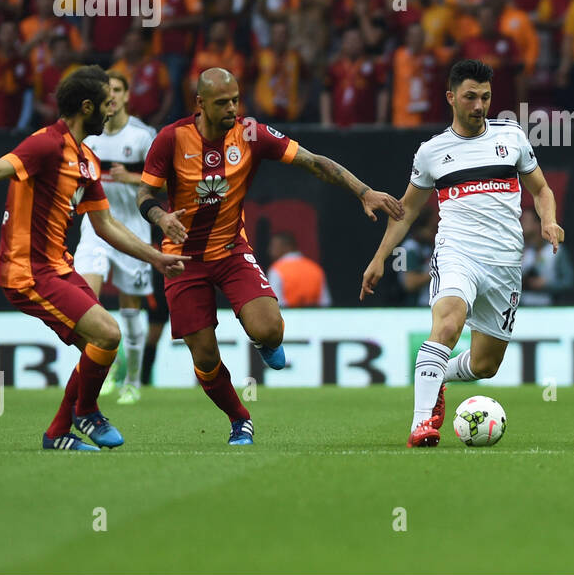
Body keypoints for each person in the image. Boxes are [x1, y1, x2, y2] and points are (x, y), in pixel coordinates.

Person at [138, 67, 403, 445]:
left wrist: (362, 191)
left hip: (231, 251)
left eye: (235, 99)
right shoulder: (171, 138)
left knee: (270, 328)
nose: (232, 108)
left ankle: (265, 342)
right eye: (222, 103)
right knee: (206, 359)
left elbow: (313, 161)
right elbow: (144, 197)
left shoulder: (250, 133)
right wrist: (161, 216)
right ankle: (239, 418)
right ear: (199, 104)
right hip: (182, 260)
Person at [0, 66, 184, 450]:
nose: (110, 111)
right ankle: (86, 413)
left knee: (97, 350)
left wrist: (156, 258)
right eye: (105, 104)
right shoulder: (45, 144)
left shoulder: (86, 160)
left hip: (57, 267)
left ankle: (58, 433)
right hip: (27, 271)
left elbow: (106, 225)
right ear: (86, 106)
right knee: (108, 333)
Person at [360, 59, 563, 447]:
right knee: (448, 324)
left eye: (485, 97)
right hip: (458, 254)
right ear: (451, 97)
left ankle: (438, 378)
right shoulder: (432, 153)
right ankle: (422, 424)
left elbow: (541, 190)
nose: (479, 105)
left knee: (485, 365)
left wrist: (548, 221)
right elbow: (407, 211)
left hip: (505, 264)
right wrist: (380, 258)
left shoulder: (512, 137)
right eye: (470, 97)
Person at [76, 71, 159, 405]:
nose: (111, 96)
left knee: (130, 311)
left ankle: (133, 381)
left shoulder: (142, 136)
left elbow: (166, 182)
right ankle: (106, 369)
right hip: (96, 228)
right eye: (105, 91)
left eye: (117, 91)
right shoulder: (89, 136)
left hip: (132, 231)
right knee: (84, 302)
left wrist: (132, 178)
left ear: (127, 96)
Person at [267, 232, 331, 307]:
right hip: (313, 317)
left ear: (287, 246)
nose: (269, 250)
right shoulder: (315, 268)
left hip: (288, 317)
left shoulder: (276, 269)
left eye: (273, 246)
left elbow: (275, 304)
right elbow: (325, 303)